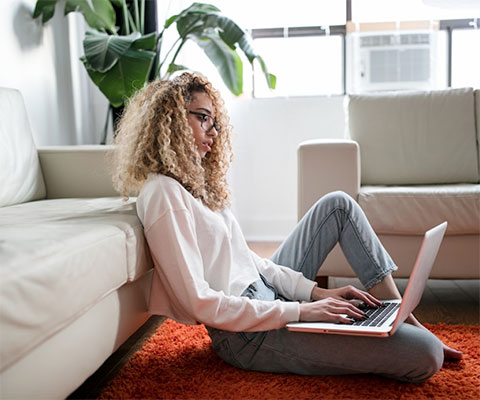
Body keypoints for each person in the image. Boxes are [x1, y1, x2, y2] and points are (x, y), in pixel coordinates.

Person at [111, 72, 462, 382]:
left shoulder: (196, 184)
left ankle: (400, 314)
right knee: (426, 354)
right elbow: (199, 302)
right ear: (170, 119)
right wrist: (300, 311)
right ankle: (403, 329)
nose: (213, 132)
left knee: (337, 204)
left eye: (215, 122)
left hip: (267, 296)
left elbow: (250, 261)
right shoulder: (163, 193)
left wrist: (315, 294)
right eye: (203, 118)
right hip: (246, 335)